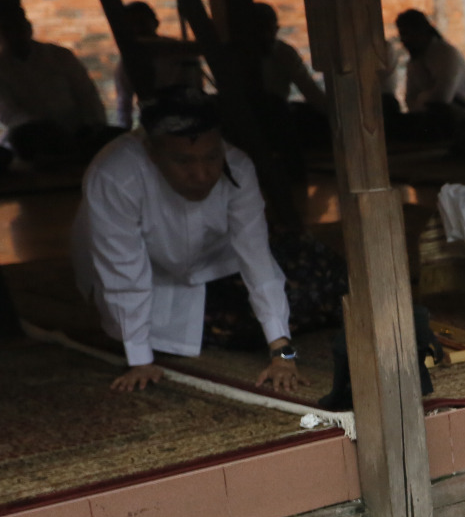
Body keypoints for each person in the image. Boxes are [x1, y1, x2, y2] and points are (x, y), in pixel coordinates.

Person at [71, 92, 303, 395]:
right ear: (152, 152)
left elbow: (256, 257)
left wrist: (282, 353)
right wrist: (140, 360)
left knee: (305, 284)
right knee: (211, 330)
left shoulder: (238, 168)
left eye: (211, 157)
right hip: (143, 278)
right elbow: (123, 269)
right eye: (183, 161)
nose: (201, 174)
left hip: (216, 267)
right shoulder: (115, 175)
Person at [0, 8, 113, 168]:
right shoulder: (2, 69)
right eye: (7, 30)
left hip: (79, 130)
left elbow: (87, 96)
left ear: (29, 27)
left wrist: (93, 124)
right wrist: (48, 129)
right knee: (24, 137)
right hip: (37, 137)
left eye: (18, 28)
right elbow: (10, 114)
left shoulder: (60, 56)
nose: (14, 34)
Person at [112, 1, 202, 129]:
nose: (138, 29)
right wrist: (124, 133)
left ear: (155, 22)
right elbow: (124, 105)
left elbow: (196, 86)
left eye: (141, 23)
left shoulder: (183, 52)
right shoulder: (127, 63)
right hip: (157, 123)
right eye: (132, 25)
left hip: (191, 116)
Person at [394, 9, 465, 141]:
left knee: (439, 113)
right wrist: (426, 98)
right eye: (402, 35)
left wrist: (421, 98)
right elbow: (409, 100)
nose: (404, 40)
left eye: (408, 34)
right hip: (427, 114)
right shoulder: (414, 61)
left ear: (421, 31)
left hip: (460, 114)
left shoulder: (445, 53)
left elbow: (442, 97)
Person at [253, 3, 326, 114]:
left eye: (271, 30)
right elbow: (312, 93)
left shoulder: (283, 53)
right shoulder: (283, 53)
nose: (267, 36)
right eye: (262, 30)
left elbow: (312, 93)